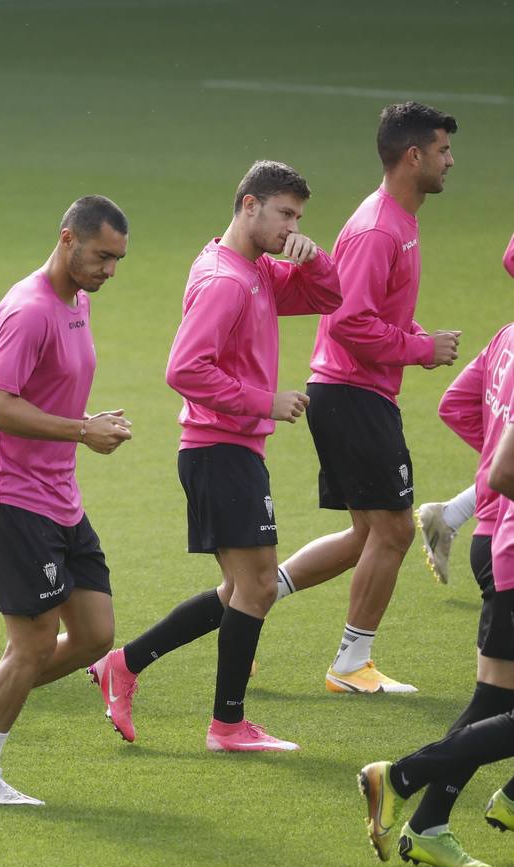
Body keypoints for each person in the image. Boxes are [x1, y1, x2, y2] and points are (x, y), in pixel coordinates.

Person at [88, 161, 341, 751]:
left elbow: (329, 296)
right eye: (285, 214)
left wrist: (313, 257)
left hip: (227, 450)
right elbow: (183, 368)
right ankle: (227, 725)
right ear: (249, 205)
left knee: (240, 590)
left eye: (299, 217)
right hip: (220, 450)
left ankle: (123, 665)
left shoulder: (252, 267)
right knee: (255, 588)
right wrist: (265, 402)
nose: (291, 227)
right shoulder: (229, 280)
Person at [0, 196, 130, 805]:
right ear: (67, 239)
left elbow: (48, 392)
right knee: (35, 643)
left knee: (95, 635)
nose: (109, 271)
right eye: (101, 256)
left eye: (118, 260)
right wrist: (79, 430)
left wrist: (83, 420)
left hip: (59, 496)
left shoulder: (77, 303)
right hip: (7, 497)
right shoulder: (29, 309)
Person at [268, 102, 460, 693]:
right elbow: (349, 321)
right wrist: (421, 348)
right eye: (443, 151)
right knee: (395, 531)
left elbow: (371, 311)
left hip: (353, 391)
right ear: (413, 156)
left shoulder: (398, 221)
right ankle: (352, 664)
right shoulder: (381, 228)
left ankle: (245, 601)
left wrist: (411, 336)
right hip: (353, 394)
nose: (450, 161)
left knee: (364, 537)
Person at [359, 397, 514, 867]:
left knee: (493, 702)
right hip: (506, 546)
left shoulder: (502, 339)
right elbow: (503, 470)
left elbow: (458, 404)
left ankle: (427, 825)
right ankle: (402, 777)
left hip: (496, 535)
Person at [416, 233, 514, 584]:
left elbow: (454, 405)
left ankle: (451, 514)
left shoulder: (505, 336)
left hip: (487, 541)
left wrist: (499, 454)